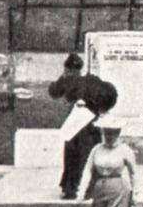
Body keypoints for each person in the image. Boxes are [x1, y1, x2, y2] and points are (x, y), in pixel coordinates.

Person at [48, 54, 117, 199]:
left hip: (75, 124)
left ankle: (72, 188)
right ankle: (91, 188)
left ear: (68, 68)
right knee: (90, 155)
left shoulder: (68, 80)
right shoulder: (93, 80)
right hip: (92, 125)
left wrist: (63, 76)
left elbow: (54, 91)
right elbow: (109, 94)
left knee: (73, 157)